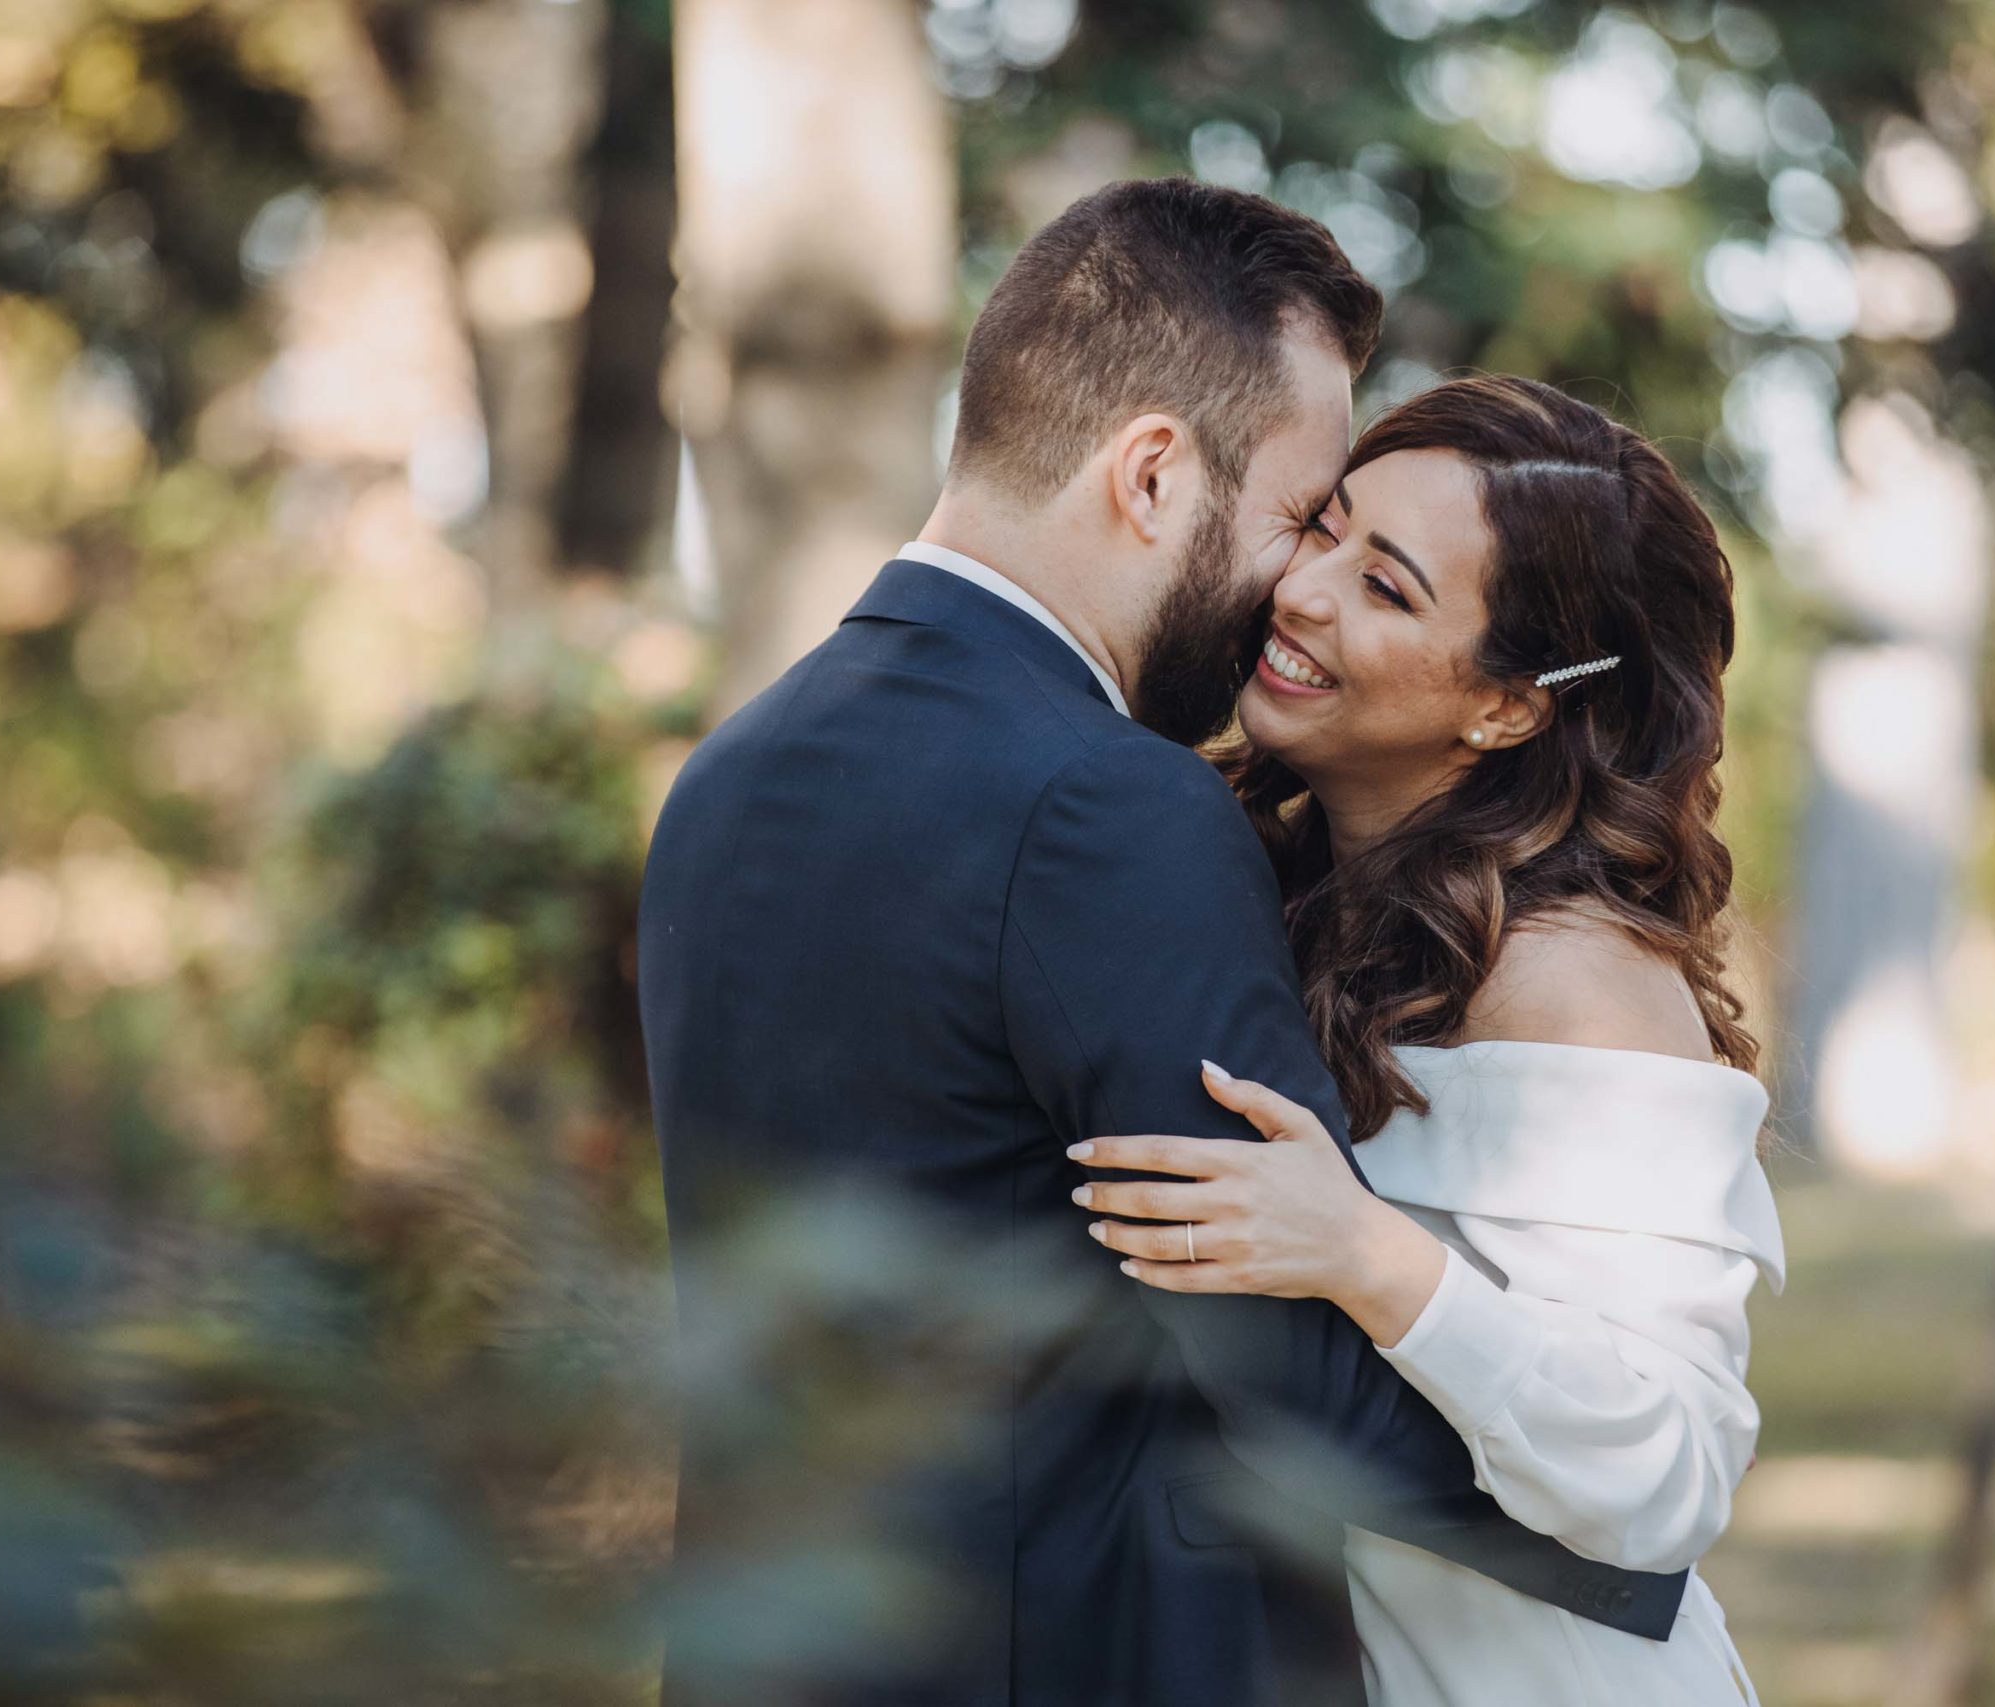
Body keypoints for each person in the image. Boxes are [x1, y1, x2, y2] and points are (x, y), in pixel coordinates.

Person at [637, 181, 1689, 1707]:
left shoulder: (730, 775)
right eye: (1296, 517)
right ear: (1149, 476)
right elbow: (1281, 1364)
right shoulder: (1100, 804)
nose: (1295, 586)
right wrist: (1628, 1545)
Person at [1070, 374, 1783, 1705]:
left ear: (1508, 706)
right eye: (1327, 529)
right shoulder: (1271, 882)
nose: (1306, 592)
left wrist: (1368, 1257)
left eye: (1388, 589)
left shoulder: (1577, 979)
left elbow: (1669, 1473)